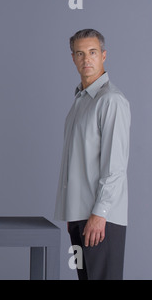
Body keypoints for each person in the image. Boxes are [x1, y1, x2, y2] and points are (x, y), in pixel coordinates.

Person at [55, 29, 130, 280]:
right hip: (79, 217)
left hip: (101, 218)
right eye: (80, 53)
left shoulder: (111, 101)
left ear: (104, 56)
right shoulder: (81, 100)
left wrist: (100, 214)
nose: (86, 59)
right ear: (73, 59)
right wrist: (71, 212)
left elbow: (115, 165)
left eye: (93, 52)